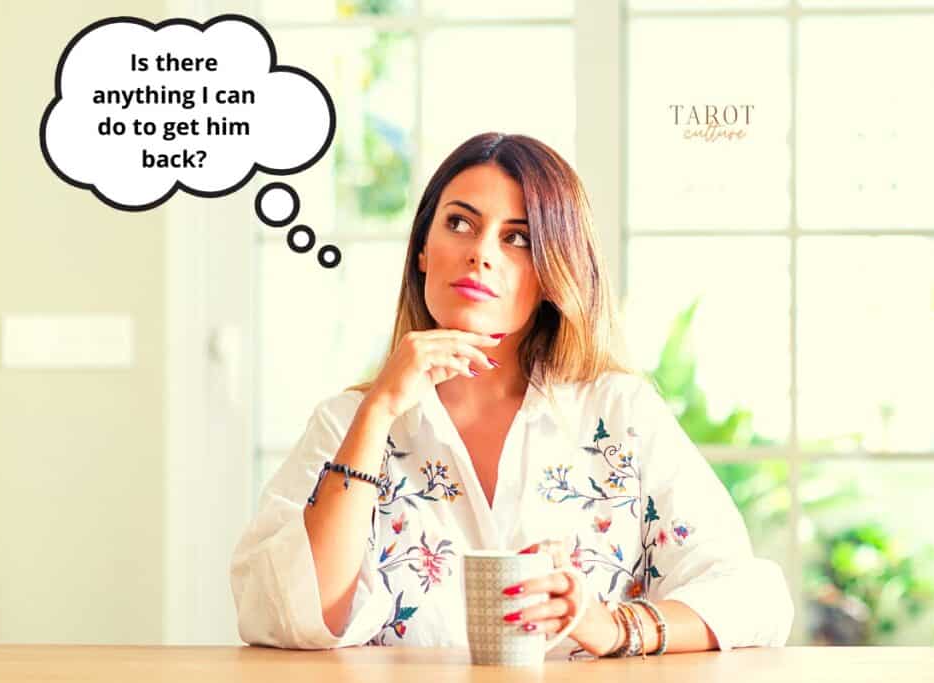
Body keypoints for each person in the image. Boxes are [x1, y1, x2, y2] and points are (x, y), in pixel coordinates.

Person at [229, 132, 794, 657]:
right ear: (422, 249)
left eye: (517, 237)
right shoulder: (347, 422)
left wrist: (611, 625)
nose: (481, 253)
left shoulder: (620, 414)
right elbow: (287, 618)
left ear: (551, 274)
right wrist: (378, 410)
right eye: (459, 223)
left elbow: (755, 599)